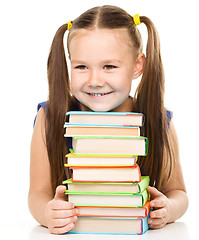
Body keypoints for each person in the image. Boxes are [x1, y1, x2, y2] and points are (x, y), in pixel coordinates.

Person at [28, 5, 188, 235]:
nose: (95, 80)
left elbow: (179, 193)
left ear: (137, 66)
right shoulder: (50, 117)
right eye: (81, 66)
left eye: (109, 66)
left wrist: (169, 208)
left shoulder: (157, 118)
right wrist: (47, 213)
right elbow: (37, 193)